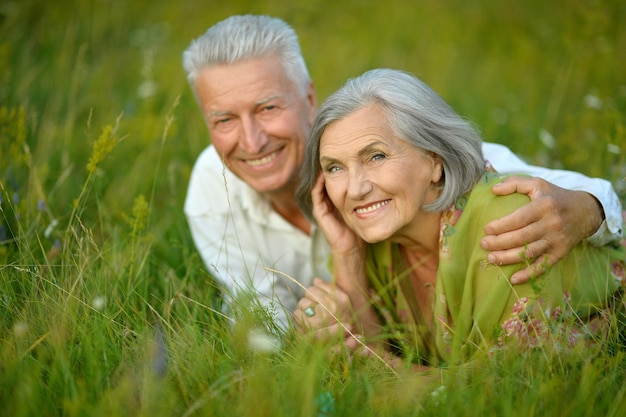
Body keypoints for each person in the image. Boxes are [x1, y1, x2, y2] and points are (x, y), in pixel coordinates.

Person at [182, 15, 623, 330]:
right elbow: (265, 327)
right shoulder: (210, 189)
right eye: (223, 120)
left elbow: (501, 179)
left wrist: (589, 208)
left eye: (268, 107)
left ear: (309, 98)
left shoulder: (401, 152)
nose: (253, 140)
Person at [293, 68, 625, 367]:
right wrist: (348, 255)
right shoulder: (377, 237)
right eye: (334, 167)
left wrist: (380, 370)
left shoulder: (506, 226)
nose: (355, 189)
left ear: (434, 161)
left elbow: (498, 390)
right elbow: (377, 354)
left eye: (376, 156)